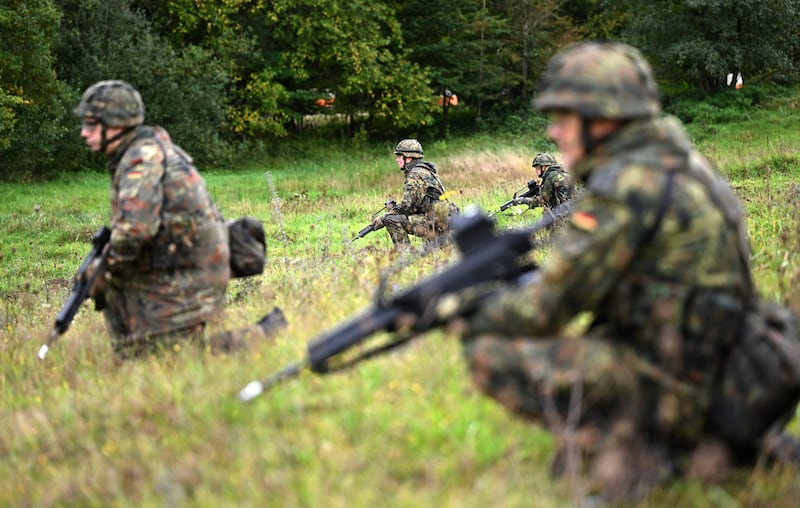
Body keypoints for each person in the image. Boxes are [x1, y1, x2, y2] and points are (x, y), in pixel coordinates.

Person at [454, 41, 799, 502]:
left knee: (486, 348)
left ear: (603, 119)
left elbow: (544, 310)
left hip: (676, 384)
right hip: (722, 369)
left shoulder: (626, 188)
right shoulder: (682, 164)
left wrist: (456, 309)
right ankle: (730, 449)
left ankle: (637, 450)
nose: (554, 132)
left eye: (564, 118)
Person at [75, 80, 285, 360]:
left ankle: (266, 335)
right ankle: (267, 333)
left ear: (115, 124)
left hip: (188, 272)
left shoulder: (141, 160)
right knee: (147, 356)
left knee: (168, 361)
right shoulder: (147, 148)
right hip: (187, 265)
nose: (84, 133)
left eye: (91, 124)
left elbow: (135, 231)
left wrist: (100, 271)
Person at [371, 139, 457, 249]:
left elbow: (408, 207)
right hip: (442, 219)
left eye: (399, 156)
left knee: (391, 220)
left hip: (436, 222)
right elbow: (416, 204)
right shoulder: (425, 170)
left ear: (408, 157)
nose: (397, 160)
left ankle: (405, 254)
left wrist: (385, 216)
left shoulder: (415, 174)